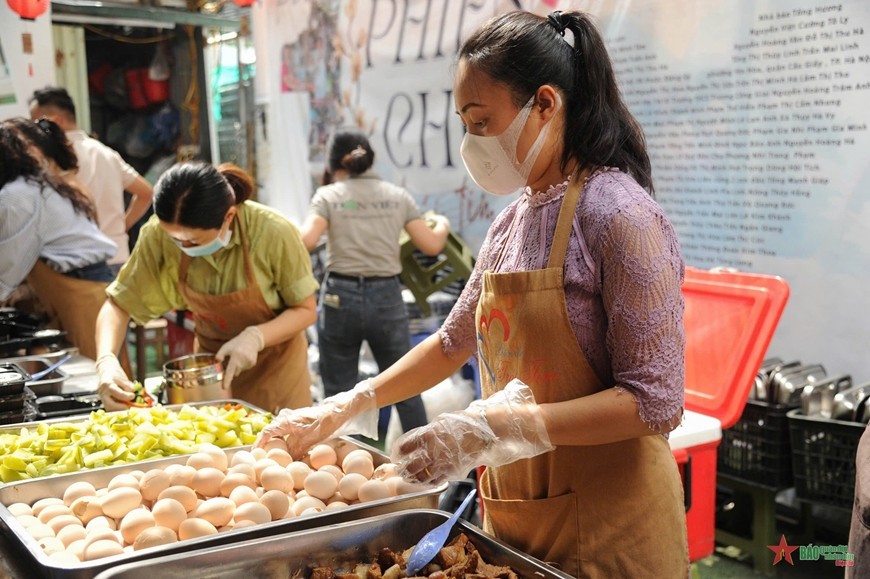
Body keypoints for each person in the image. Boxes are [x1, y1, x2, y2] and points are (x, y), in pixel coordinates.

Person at [257, 9, 689, 576]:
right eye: (464, 123)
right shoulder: (511, 223)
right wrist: (350, 404)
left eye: (481, 121)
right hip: (517, 518)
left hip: (612, 526)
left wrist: (501, 427)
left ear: (544, 103)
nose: (471, 142)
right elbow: (450, 342)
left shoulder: (619, 215)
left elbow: (654, 401)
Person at [94, 161, 319, 415]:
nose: (183, 246)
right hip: (210, 375)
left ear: (229, 217)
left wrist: (255, 337)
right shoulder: (157, 235)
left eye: (193, 241)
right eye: (175, 239)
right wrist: (106, 360)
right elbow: (117, 304)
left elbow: (306, 310)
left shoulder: (273, 231)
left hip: (277, 370)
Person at [300, 129, 450, 435]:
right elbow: (432, 246)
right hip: (386, 298)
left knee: (338, 393)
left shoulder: (329, 196)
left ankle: (341, 464)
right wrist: (443, 224)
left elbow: (307, 241)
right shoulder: (397, 196)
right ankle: (422, 466)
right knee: (404, 385)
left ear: (334, 165)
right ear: (370, 159)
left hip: (339, 299)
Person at [0, 120, 118, 360]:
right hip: (85, 284)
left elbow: (11, 260)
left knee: (103, 375)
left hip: (83, 289)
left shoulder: (17, 194)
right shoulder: (36, 184)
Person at [29, 86, 154, 273]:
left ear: (56, 121)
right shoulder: (106, 153)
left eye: (36, 125)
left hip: (79, 263)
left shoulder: (52, 159)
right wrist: (122, 225)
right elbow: (146, 192)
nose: (34, 133)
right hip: (118, 257)